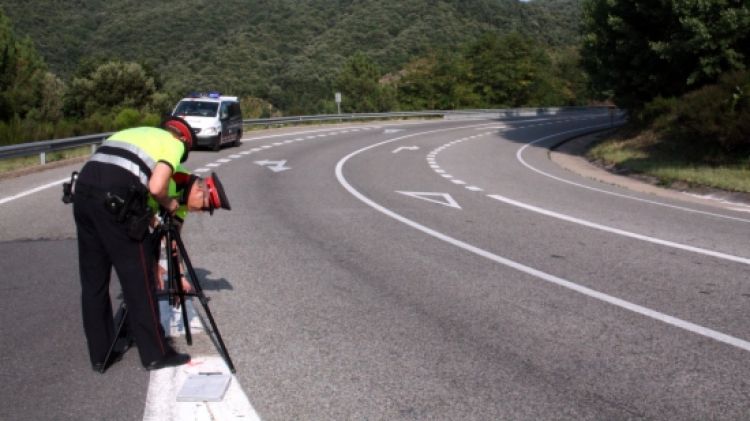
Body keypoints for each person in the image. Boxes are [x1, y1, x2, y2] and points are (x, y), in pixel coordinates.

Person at [72, 116, 195, 372]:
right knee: (138, 280)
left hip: (82, 191)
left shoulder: (134, 132)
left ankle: (101, 354)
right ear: (182, 139)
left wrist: (151, 220)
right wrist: (171, 205)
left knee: (93, 281)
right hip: (116, 197)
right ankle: (156, 354)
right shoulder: (173, 144)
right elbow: (157, 186)